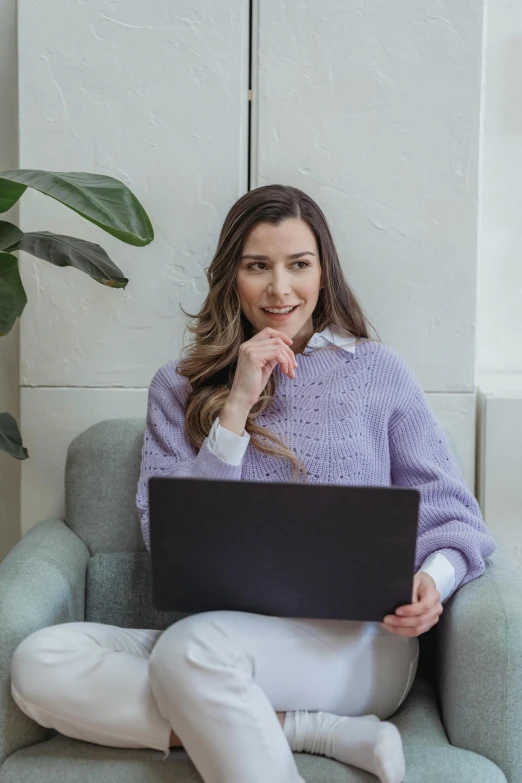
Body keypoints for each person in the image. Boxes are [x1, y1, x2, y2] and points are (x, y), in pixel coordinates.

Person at [10, 185, 496, 783]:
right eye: (257, 267)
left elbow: (454, 515)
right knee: (39, 663)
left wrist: (433, 580)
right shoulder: (177, 386)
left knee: (191, 651)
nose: (280, 289)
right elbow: (168, 536)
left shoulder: (377, 372)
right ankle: (309, 729)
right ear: (229, 277)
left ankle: (288, 714)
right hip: (216, 639)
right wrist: (237, 402)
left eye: (299, 265)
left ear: (325, 272)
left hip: (358, 648)